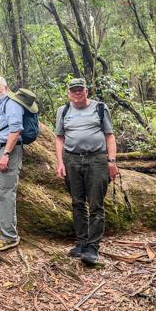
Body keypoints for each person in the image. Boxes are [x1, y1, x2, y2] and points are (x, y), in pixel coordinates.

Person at [56, 77, 118, 265]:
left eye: (80, 90)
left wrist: (111, 161)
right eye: (73, 90)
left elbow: (109, 136)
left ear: (86, 91)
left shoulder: (100, 108)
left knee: (96, 204)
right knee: (77, 203)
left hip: (97, 159)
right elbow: (59, 138)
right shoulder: (63, 111)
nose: (77, 93)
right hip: (72, 159)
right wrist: (60, 163)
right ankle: (82, 242)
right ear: (69, 93)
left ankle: (93, 246)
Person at [0, 87, 38, 252]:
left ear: (6, 88)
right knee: (0, 191)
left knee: (6, 192)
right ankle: (5, 230)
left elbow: (15, 129)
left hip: (8, 151)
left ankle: (10, 237)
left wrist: (6, 154)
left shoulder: (12, 103)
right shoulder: (0, 104)